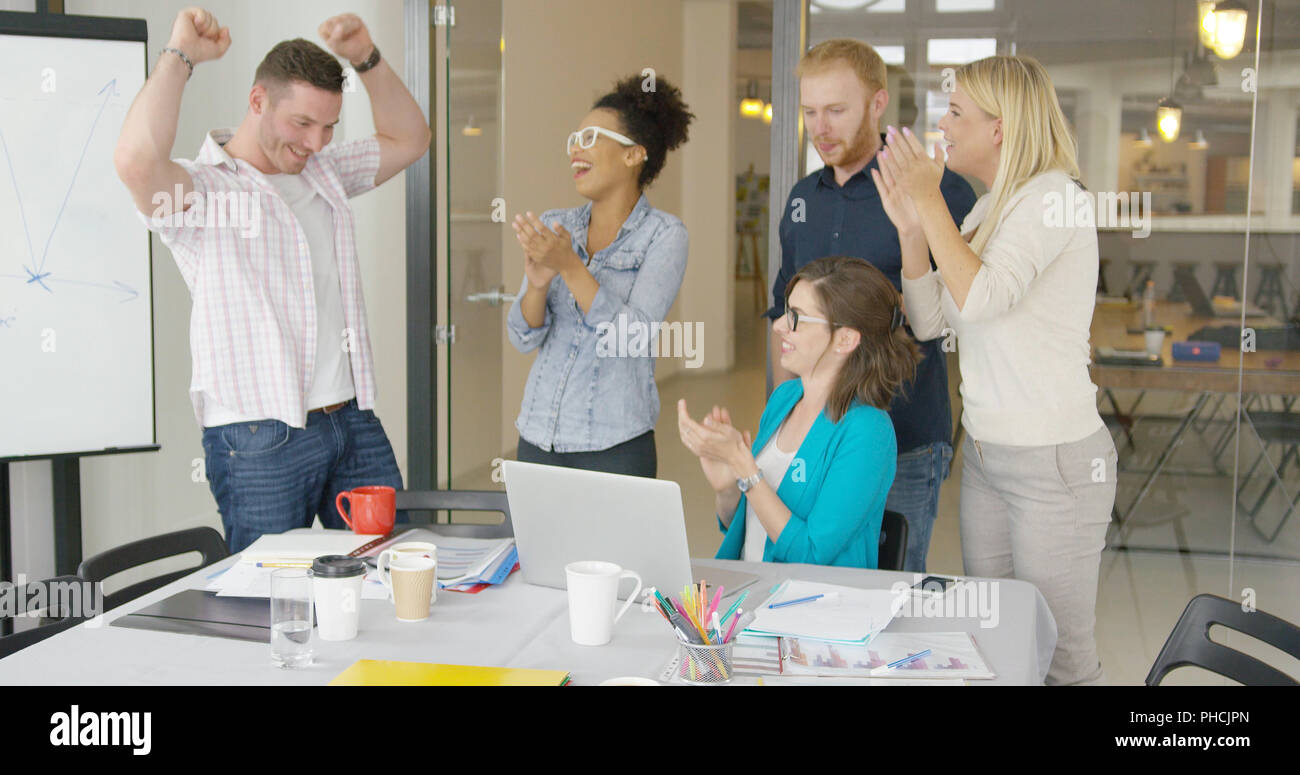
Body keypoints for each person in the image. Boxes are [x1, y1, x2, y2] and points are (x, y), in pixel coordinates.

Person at [114, 9, 431, 552]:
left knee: (391, 567)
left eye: (329, 126)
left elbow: (411, 137)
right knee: (269, 592)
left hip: (351, 419)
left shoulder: (322, 171)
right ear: (258, 101)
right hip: (258, 436)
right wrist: (181, 54)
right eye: (302, 123)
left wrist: (365, 56)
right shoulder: (204, 193)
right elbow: (137, 162)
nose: (316, 142)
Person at [872, 54, 1118, 685]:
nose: (943, 126)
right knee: (997, 642)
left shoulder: (1054, 200)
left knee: (1061, 659)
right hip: (987, 457)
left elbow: (982, 297)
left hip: (1053, 464)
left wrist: (929, 198)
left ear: (1000, 127)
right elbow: (930, 321)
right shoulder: (988, 210)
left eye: (955, 112)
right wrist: (912, 230)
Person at [767, 39, 977, 573]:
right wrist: (781, 416)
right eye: (810, 112)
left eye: (837, 110)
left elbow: (964, 306)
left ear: (878, 103)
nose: (820, 128)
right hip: (812, 435)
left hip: (905, 435)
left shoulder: (939, 191)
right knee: (806, 577)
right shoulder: (802, 199)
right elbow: (781, 319)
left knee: (889, 593)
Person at [506, 74, 694, 478]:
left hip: (615, 447)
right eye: (574, 140)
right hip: (538, 437)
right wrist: (537, 285)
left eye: (590, 138)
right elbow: (523, 337)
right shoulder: (557, 225)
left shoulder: (665, 235)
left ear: (633, 155)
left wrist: (570, 267)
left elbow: (632, 337)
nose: (576, 149)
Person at [679, 257, 921, 569]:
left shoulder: (868, 431)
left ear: (846, 339)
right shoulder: (785, 398)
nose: (779, 326)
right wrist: (727, 488)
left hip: (813, 597)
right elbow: (749, 527)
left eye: (796, 317)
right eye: (785, 312)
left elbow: (812, 553)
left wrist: (745, 468)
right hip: (753, 587)